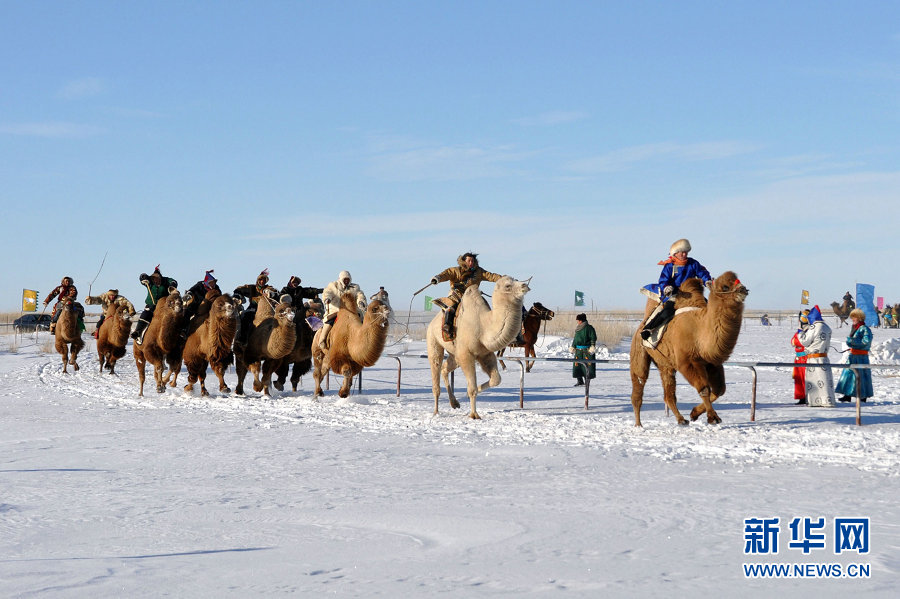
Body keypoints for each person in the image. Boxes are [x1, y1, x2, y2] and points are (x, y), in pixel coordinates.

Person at [640, 239, 712, 339]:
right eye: (681, 252)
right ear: (675, 253)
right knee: (667, 312)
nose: (684, 254)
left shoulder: (693, 263)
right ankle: (649, 329)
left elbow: (702, 273)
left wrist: (707, 281)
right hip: (675, 295)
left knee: (709, 308)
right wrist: (666, 287)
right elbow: (663, 280)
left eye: (685, 251)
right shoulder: (669, 266)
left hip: (692, 294)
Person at [430, 252, 504, 341]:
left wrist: (505, 279)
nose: (471, 262)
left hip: (472, 295)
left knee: (484, 307)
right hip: (456, 294)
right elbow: (446, 274)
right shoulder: (455, 270)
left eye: (473, 260)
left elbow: (491, 276)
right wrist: (437, 278)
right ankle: (448, 326)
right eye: (469, 260)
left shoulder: (479, 272)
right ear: (464, 261)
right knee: (451, 306)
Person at [796, 305, 836, 407]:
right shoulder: (827, 327)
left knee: (814, 381)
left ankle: (815, 401)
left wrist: (800, 332)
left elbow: (804, 341)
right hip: (824, 357)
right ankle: (828, 400)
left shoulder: (814, 327)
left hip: (814, 358)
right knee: (825, 381)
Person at [319, 270, 367, 349]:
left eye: (348, 279)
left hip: (352, 312)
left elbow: (360, 295)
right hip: (336, 311)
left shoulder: (355, 287)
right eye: (345, 279)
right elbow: (327, 292)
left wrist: (361, 302)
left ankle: (364, 342)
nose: (346, 281)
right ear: (341, 279)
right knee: (330, 322)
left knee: (361, 323)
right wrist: (327, 298)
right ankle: (322, 339)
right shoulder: (333, 286)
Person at [835, 308, 874, 403]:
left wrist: (852, 341)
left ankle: (862, 396)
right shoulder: (855, 328)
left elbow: (866, 342)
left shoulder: (865, 329)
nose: (852, 320)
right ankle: (847, 394)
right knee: (849, 375)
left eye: (854, 318)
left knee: (861, 376)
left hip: (861, 357)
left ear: (859, 318)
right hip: (853, 355)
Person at [131, 266, 178, 343]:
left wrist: (172, 285)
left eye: (158, 279)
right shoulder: (149, 282)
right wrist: (143, 278)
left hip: (164, 305)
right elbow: (142, 276)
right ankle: (138, 332)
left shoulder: (166, 280)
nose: (156, 281)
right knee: (145, 315)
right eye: (154, 280)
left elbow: (174, 281)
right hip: (151, 305)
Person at [233, 269, 277, 349]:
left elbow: (275, 292)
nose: (262, 282)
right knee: (245, 318)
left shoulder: (268, 288)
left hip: (266, 311)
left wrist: (269, 293)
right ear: (258, 280)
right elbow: (239, 289)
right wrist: (236, 297)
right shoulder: (251, 288)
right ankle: (243, 339)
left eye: (264, 280)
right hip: (253, 310)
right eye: (260, 280)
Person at [570, 313, 597, 386]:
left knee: (587, 367)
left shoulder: (589, 328)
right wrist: (573, 346)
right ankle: (580, 381)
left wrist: (592, 346)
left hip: (586, 351)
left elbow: (593, 338)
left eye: (578, 320)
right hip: (578, 351)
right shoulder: (578, 328)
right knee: (577, 366)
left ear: (581, 320)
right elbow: (575, 339)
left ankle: (587, 382)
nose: (577, 322)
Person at [791, 311, 809, 405]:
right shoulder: (799, 331)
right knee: (798, 379)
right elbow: (792, 341)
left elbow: (800, 342)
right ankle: (801, 397)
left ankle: (807, 396)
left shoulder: (809, 331)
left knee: (805, 378)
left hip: (805, 358)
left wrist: (797, 341)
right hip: (798, 359)